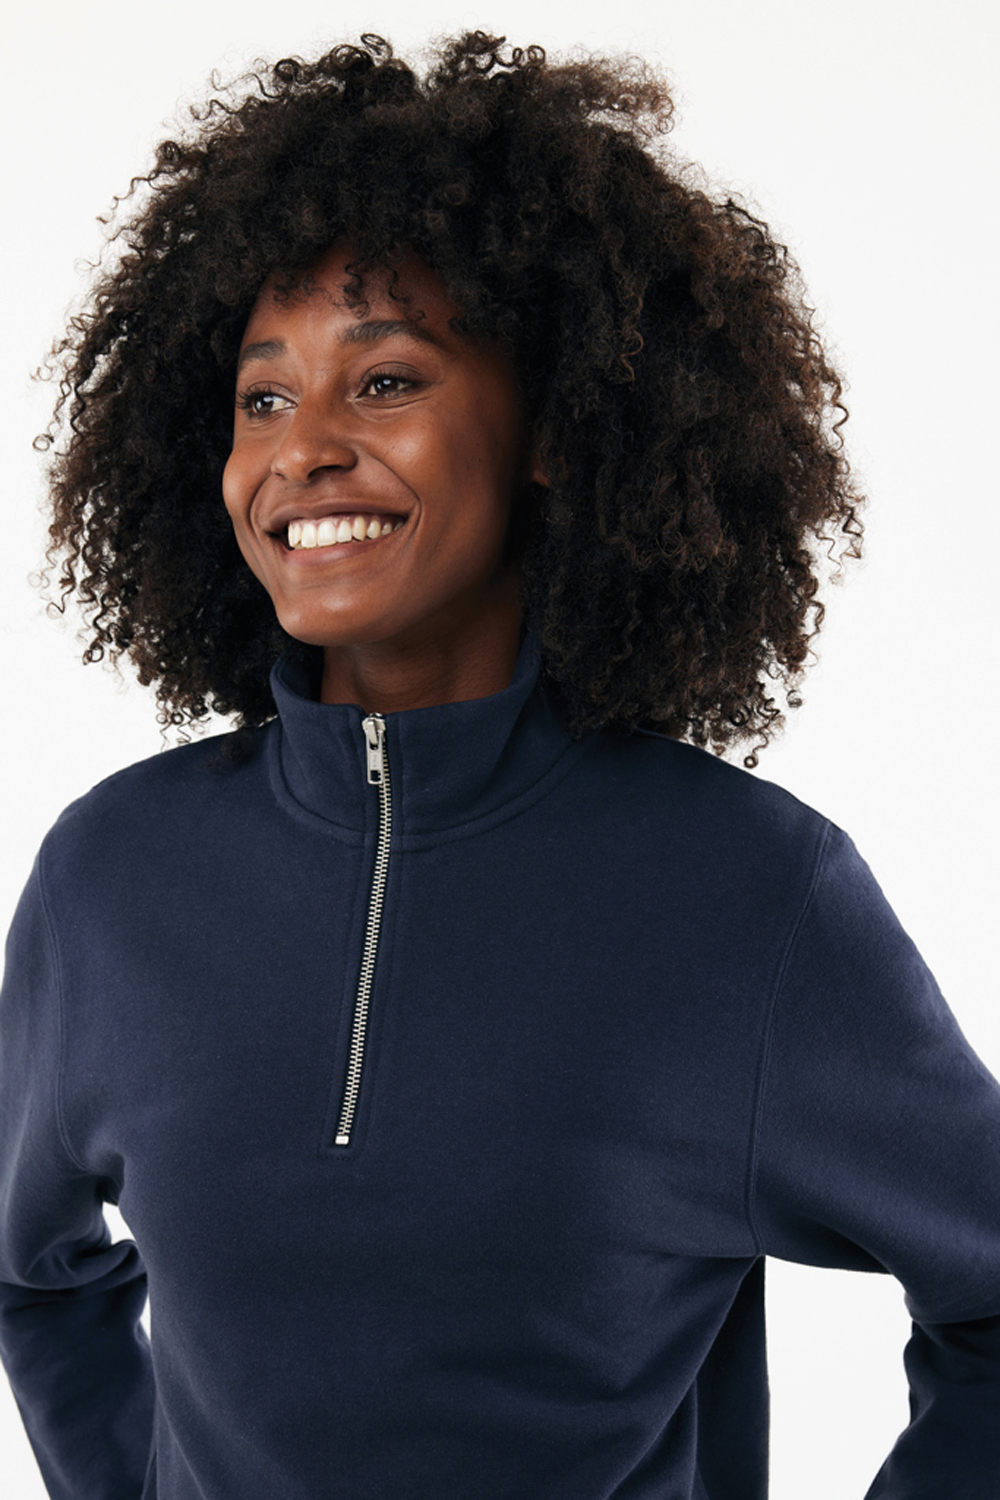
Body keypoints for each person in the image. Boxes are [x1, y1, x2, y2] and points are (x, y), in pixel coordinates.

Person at [0, 30, 997, 1500]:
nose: (303, 450)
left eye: (386, 381)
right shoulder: (114, 879)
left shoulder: (745, 893)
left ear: (551, 429)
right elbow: (31, 1274)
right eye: (263, 399)